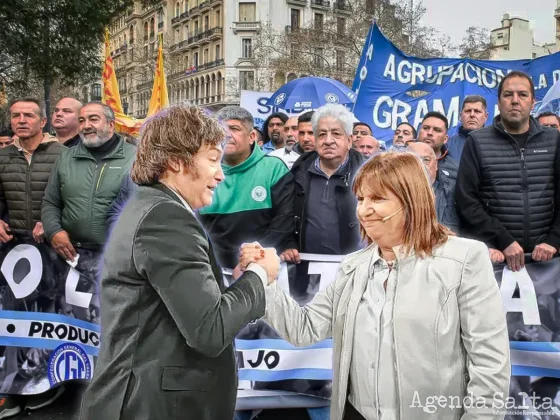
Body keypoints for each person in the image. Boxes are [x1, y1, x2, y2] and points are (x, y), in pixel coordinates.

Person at [244, 151, 510, 420]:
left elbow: (490, 364)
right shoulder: (353, 267)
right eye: (360, 199)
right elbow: (303, 328)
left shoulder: (464, 259)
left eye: (377, 198)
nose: (363, 210)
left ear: (411, 201)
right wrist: (265, 279)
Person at [79, 105, 280, 420]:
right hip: (152, 405)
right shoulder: (165, 216)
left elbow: (178, 305)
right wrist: (259, 275)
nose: (220, 173)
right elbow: (209, 329)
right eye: (212, 159)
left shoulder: (154, 206)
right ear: (175, 161)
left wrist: (240, 279)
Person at [0, 98, 67, 419]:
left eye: (29, 115)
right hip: (13, 249)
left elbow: (73, 198)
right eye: (16, 115)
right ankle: (16, 387)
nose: (21, 120)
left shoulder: (62, 156)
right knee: (15, 321)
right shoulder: (2, 157)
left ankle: (49, 383)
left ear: (43, 123)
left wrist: (53, 224)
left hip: (52, 249)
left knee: (50, 318)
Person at [456, 70, 560, 271]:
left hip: (548, 259)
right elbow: (467, 201)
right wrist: (502, 240)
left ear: (533, 102)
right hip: (496, 258)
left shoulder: (554, 140)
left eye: (522, 95)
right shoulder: (477, 142)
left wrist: (554, 241)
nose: (515, 101)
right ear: (498, 102)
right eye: (508, 95)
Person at [198, 106, 296, 270]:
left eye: (234, 129)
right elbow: (199, 227)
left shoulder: (274, 169)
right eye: (222, 129)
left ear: (251, 137)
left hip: (260, 269)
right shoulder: (203, 171)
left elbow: (283, 223)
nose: (227, 134)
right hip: (212, 270)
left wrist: (251, 261)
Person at [42, 102, 135, 261]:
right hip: (72, 254)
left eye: (93, 119)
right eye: (81, 121)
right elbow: (51, 202)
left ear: (111, 125)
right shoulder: (66, 158)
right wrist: (54, 231)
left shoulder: (136, 158)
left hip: (119, 255)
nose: (86, 126)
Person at [283, 104, 366, 265]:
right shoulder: (298, 172)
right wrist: (288, 243)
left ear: (349, 140)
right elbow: (284, 216)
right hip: (305, 270)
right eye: (322, 134)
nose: (328, 141)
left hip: (355, 269)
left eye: (336, 134)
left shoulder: (368, 175)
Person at [407, 142, 460, 233]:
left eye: (426, 160)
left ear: (436, 165)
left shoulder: (456, 192)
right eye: (413, 160)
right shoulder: (389, 194)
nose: (420, 165)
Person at [417, 111, 459, 180]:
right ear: (419, 132)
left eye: (437, 130)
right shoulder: (402, 161)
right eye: (426, 128)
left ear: (445, 139)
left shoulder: (455, 170)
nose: (430, 133)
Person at [446, 95, 488, 161]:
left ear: (486, 117)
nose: (472, 115)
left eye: (477, 111)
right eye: (468, 111)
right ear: (460, 116)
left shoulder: (496, 145)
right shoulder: (447, 146)